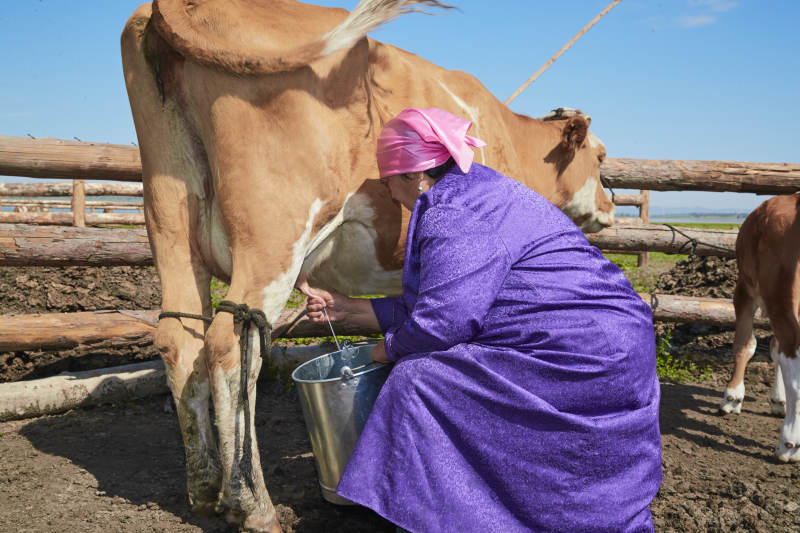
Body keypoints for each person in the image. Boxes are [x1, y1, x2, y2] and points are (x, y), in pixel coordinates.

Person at [304, 108, 662, 532]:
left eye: (389, 180)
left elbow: (443, 323)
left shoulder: (454, 212)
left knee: (417, 379)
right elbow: (445, 298)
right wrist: (353, 310)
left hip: (581, 353)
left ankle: (461, 515)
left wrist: (387, 349)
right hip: (608, 340)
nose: (389, 192)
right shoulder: (472, 191)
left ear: (415, 176)